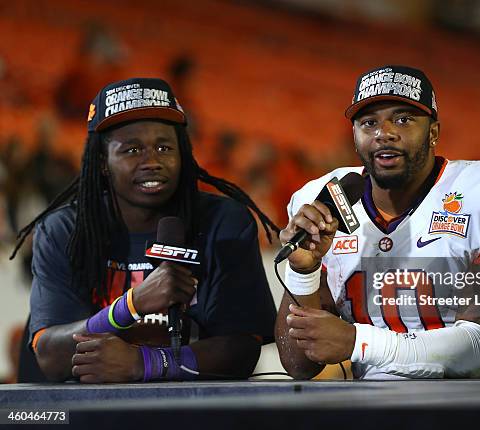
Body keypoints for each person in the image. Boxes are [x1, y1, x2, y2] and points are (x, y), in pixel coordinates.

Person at [275, 65, 480, 380]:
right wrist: (303, 271)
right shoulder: (324, 201)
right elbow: (299, 364)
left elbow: (478, 349)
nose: (384, 132)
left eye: (403, 119)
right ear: (355, 136)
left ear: (433, 132)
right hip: (373, 410)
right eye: (369, 122)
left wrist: (358, 342)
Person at [11, 78, 279, 383]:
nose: (152, 161)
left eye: (164, 147)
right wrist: (130, 305)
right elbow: (50, 355)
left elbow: (241, 350)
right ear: (102, 162)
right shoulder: (64, 230)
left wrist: (144, 363)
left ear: (184, 154)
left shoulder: (224, 222)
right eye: (132, 149)